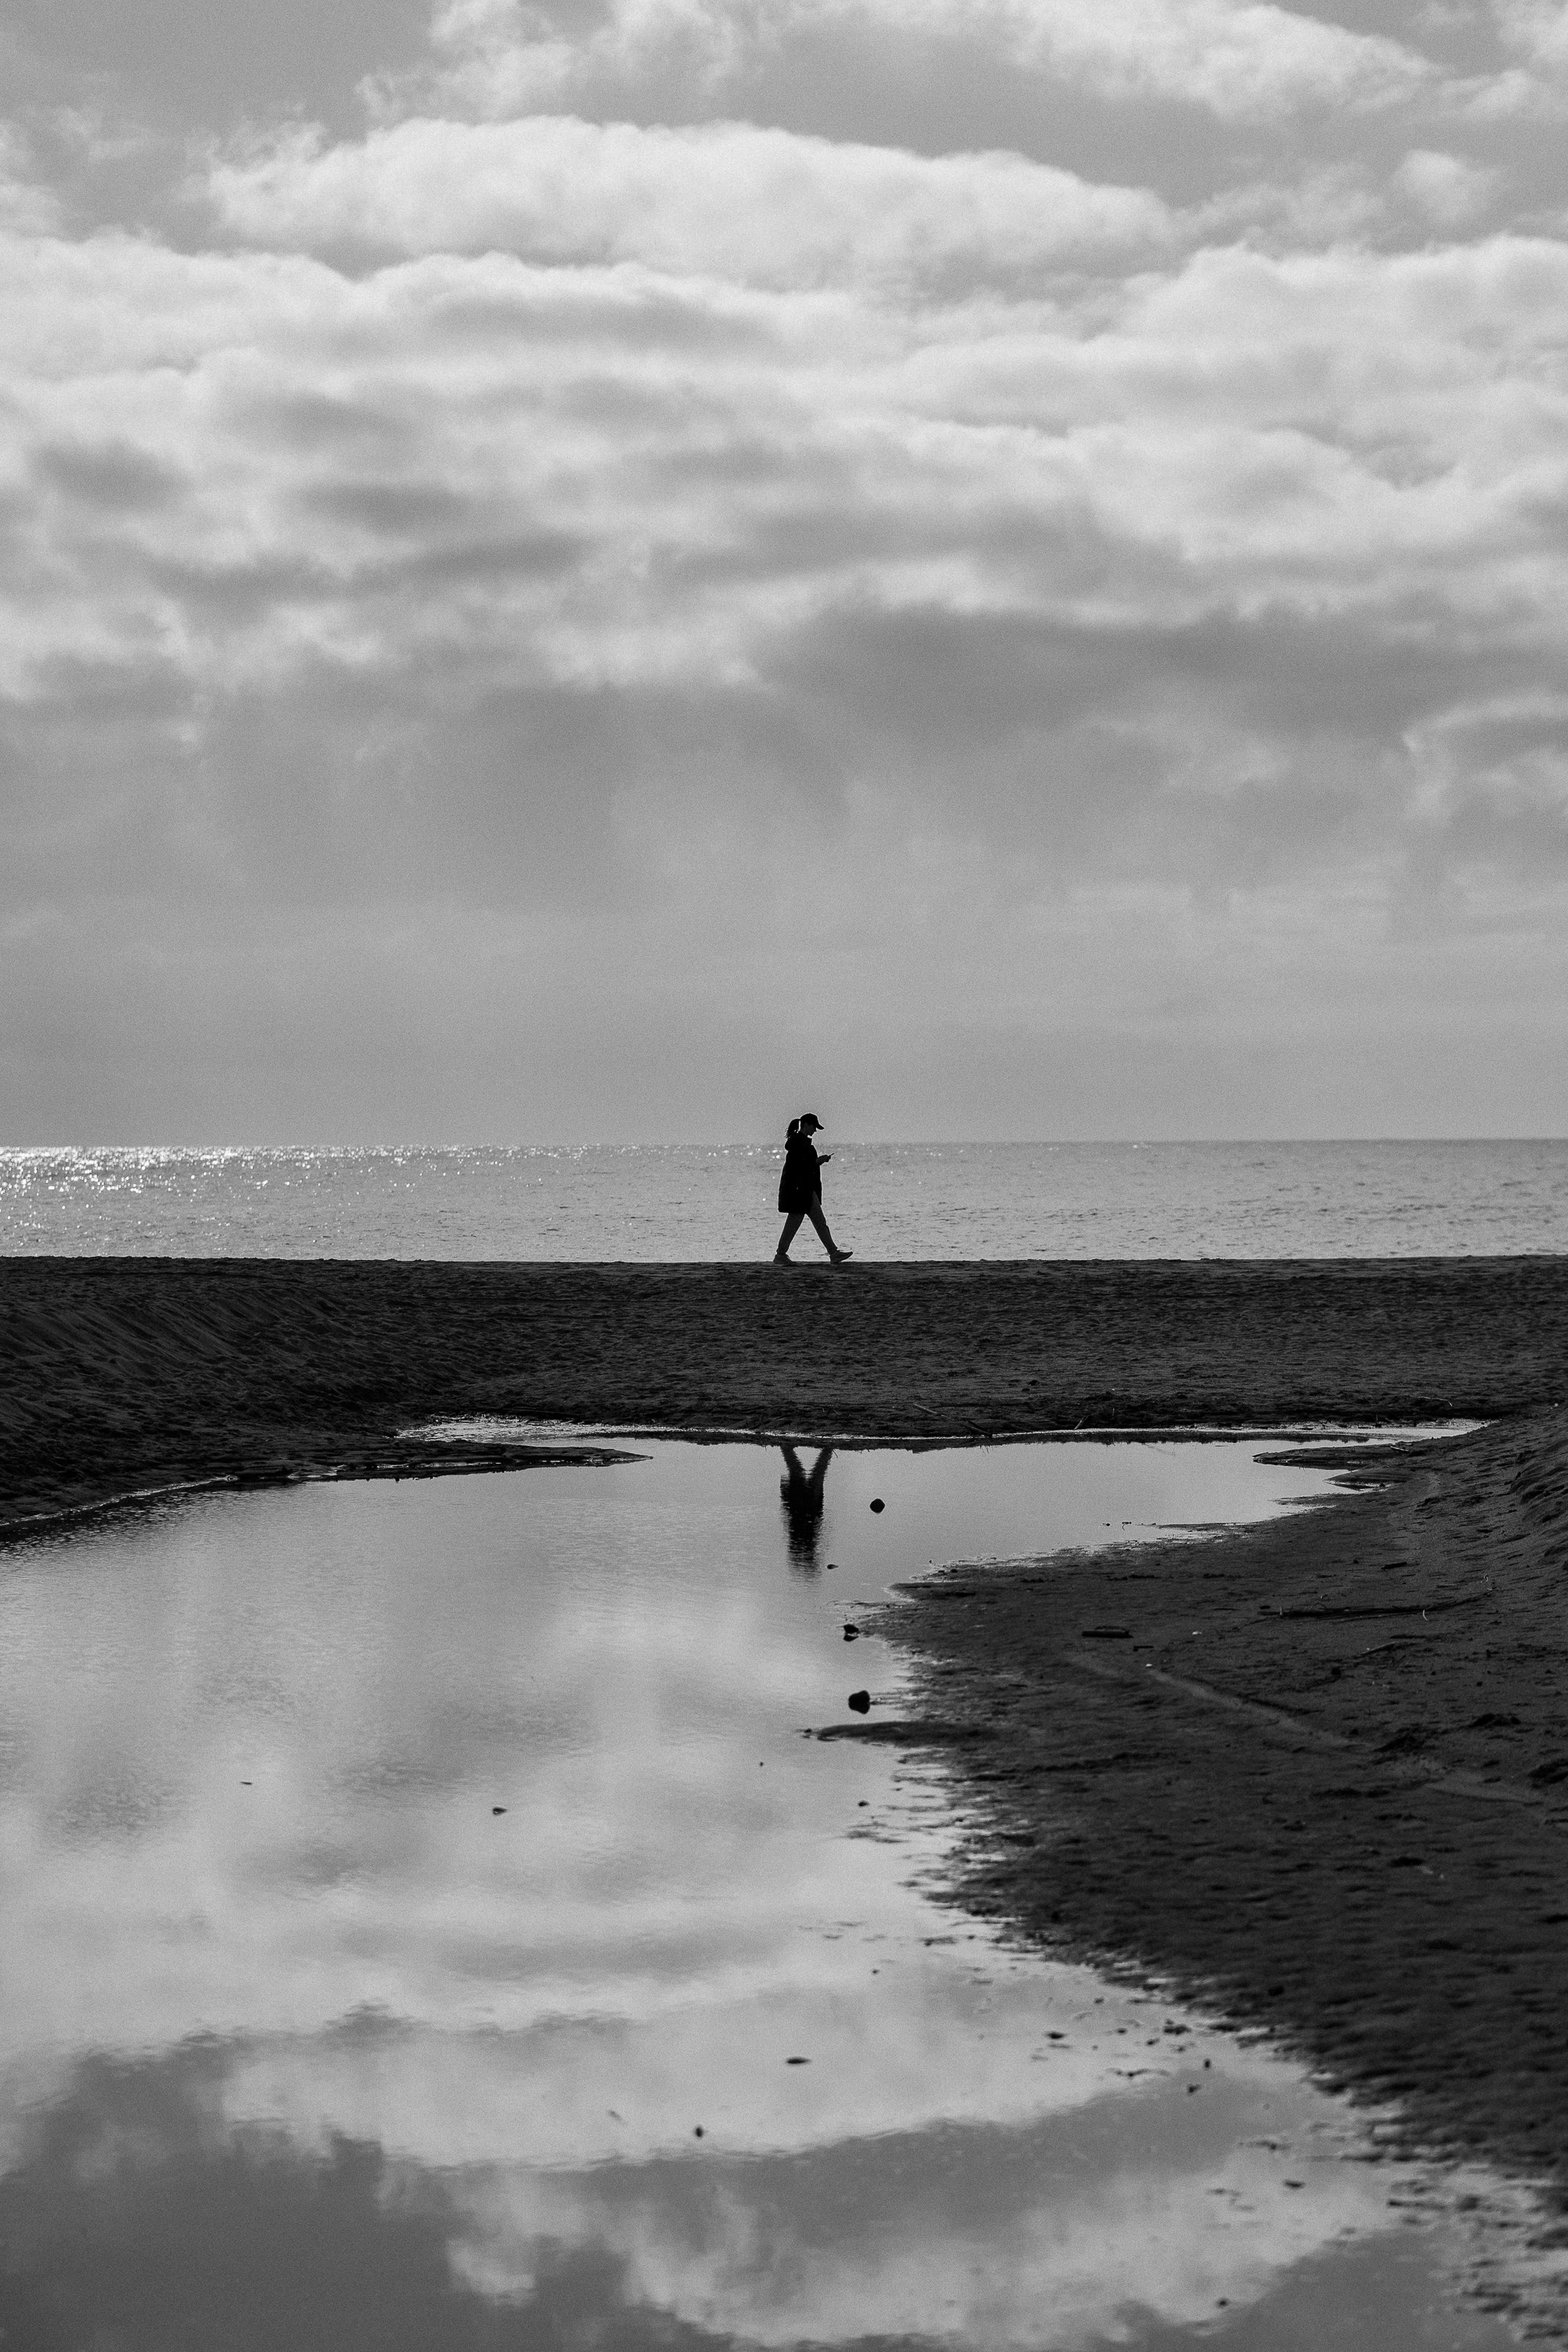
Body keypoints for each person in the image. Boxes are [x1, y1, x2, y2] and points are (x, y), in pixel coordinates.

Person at [775, 1112, 851, 1264]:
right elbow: (801, 1166)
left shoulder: (801, 1143)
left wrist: (818, 1161)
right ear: (807, 1125)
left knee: (816, 1222)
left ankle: (833, 1253)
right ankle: (781, 1255)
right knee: (800, 1222)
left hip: (805, 1190)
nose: (815, 1131)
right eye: (814, 1127)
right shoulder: (799, 1144)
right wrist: (818, 1161)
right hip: (800, 1191)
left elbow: (804, 1165)